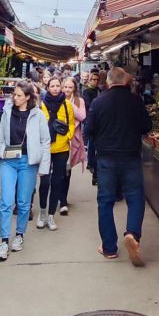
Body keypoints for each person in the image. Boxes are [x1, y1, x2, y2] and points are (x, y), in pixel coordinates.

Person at [86, 66, 151, 266]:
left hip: (106, 159)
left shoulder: (98, 102)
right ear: (124, 82)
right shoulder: (135, 101)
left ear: (108, 82)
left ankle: (109, 248)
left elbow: (88, 130)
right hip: (131, 157)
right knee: (135, 198)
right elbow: (147, 127)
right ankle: (132, 234)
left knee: (105, 202)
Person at [0, 80, 51, 262]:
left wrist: (43, 167)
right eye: (13, 94)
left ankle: (20, 235)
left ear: (27, 97)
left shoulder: (38, 115)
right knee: (6, 201)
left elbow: (45, 142)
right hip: (8, 160)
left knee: (24, 202)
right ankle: (4, 240)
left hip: (28, 162)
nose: (14, 98)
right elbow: (0, 139)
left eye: (18, 95)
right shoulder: (7, 113)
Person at [36, 76, 75, 230]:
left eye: (58, 85)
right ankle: (43, 212)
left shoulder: (66, 105)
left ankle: (51, 215)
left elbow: (72, 123)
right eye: (52, 86)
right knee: (44, 182)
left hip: (61, 148)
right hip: (45, 149)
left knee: (57, 182)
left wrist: (68, 136)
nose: (55, 88)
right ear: (48, 87)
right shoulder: (42, 105)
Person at [60, 75, 87, 214]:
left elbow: (82, 116)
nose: (67, 90)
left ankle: (63, 198)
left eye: (70, 87)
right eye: (65, 87)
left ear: (75, 88)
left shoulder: (79, 101)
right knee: (58, 170)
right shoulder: (57, 99)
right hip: (59, 139)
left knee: (67, 170)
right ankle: (60, 198)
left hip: (73, 139)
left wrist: (69, 104)